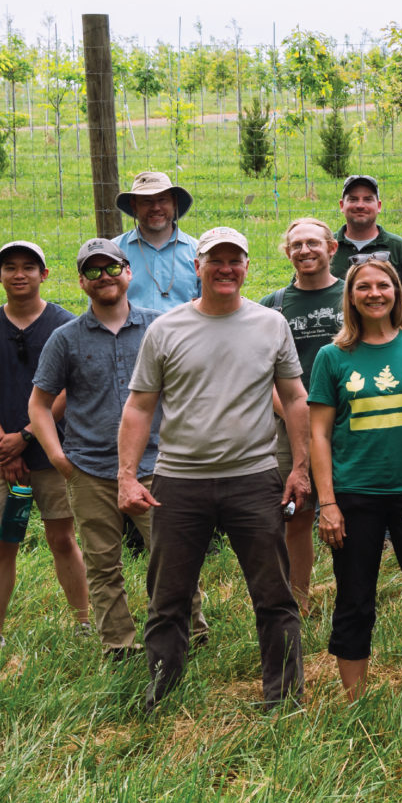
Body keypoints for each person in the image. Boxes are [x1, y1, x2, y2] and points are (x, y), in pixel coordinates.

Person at [118, 226, 311, 711]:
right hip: (179, 482)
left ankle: (283, 698)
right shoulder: (166, 329)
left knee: (274, 595)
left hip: (254, 477)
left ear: (247, 266)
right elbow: (140, 407)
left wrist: (301, 467)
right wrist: (126, 475)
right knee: (168, 597)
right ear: (197, 267)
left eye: (235, 260)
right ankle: (161, 693)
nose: (226, 269)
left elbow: (294, 397)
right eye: (215, 260)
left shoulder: (271, 324)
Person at [30, 238, 204, 659]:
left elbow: (187, 390)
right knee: (103, 563)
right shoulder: (64, 339)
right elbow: (38, 404)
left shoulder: (159, 327)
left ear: (129, 273)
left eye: (111, 268)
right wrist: (58, 458)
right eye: (92, 271)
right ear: (81, 283)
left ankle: (190, 632)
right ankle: (119, 644)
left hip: (155, 465)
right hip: (89, 468)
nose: (103, 277)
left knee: (172, 557)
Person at [308, 260, 402, 701]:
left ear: (397, 291)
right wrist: (328, 503)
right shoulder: (332, 357)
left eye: (384, 285)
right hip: (354, 497)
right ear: (351, 297)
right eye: (364, 287)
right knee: (355, 599)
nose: (375, 293)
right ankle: (356, 699)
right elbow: (318, 432)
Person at [0, 240, 88, 645]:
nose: (20, 274)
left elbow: (69, 391)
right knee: (3, 547)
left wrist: (25, 438)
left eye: (29, 267)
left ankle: (84, 624)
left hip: (53, 452)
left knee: (62, 538)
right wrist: (3, 445)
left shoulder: (66, 325)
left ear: (44, 274)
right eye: (10, 267)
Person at [261, 217, 344, 612]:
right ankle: (299, 600)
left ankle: (353, 592)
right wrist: (297, 418)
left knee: (352, 509)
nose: (305, 250)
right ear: (287, 252)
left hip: (348, 423)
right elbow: (261, 374)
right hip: (286, 425)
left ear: (332, 249)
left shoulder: (355, 296)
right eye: (296, 245)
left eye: (313, 242)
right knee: (296, 513)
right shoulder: (271, 307)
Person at [329, 174, 402, 329]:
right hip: (336, 344)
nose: (360, 205)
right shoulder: (325, 248)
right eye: (353, 199)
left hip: (386, 343)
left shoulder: (401, 250)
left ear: (379, 206)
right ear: (342, 205)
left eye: (368, 199)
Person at [112, 170, 198, 314]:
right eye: (147, 201)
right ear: (134, 205)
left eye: (162, 200)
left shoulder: (198, 252)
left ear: (174, 203)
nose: (156, 207)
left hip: (183, 335)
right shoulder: (114, 252)